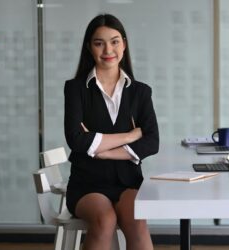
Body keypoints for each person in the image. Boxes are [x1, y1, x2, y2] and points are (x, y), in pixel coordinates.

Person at [64, 13, 159, 250]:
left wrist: (103, 150)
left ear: (124, 45)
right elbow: (76, 140)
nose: (108, 49)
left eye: (115, 41)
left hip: (127, 181)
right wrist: (129, 136)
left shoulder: (140, 92)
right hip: (87, 183)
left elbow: (152, 142)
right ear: (89, 47)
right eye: (99, 42)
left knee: (137, 221)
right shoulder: (76, 89)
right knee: (105, 220)